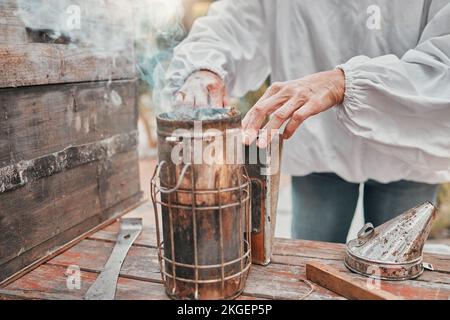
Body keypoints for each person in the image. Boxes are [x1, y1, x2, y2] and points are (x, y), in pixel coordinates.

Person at [164, 0, 450, 243]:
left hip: (407, 143)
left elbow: (444, 62)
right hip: (317, 140)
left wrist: (343, 83)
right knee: (309, 265)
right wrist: (205, 68)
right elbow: (237, 20)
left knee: (397, 274)